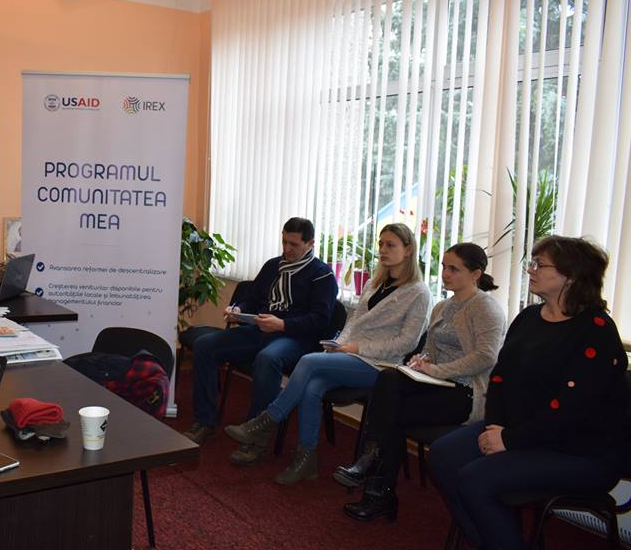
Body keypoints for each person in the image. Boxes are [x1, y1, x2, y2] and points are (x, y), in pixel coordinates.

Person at [429, 236, 630, 550]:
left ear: (571, 276)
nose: (530, 270)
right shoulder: (529, 318)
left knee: (475, 479)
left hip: (580, 450)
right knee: (443, 455)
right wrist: (495, 426)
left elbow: (571, 411)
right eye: (532, 263)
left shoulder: (596, 331)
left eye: (540, 265)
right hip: (520, 431)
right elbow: (500, 379)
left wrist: (509, 440)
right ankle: (488, 541)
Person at [225, 223, 431, 485]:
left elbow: (406, 342)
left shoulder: (418, 292)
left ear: (408, 249)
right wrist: (338, 344)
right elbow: (354, 322)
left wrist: (356, 348)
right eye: (381, 244)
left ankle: (267, 421)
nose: (383, 250)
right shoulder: (374, 282)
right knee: (312, 388)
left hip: (381, 365)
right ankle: (306, 460)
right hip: (350, 356)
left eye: (390, 245)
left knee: (308, 361)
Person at [335, 243, 506, 522]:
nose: (445, 274)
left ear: (476, 274)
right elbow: (430, 351)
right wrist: (420, 361)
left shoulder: (485, 308)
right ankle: (376, 481)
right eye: (444, 267)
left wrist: (437, 370)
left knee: (392, 413)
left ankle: (375, 480)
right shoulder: (442, 306)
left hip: (466, 393)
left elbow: (486, 357)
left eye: (454, 269)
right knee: (389, 378)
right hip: (436, 384)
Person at [182, 217, 338, 466]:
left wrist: (282, 324)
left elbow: (320, 320)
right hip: (260, 330)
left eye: (294, 245)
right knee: (205, 345)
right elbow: (252, 300)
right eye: (284, 242)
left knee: (268, 358)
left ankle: (255, 435)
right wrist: (238, 309)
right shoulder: (273, 266)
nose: (287, 249)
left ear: (310, 244)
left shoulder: (322, 276)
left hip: (295, 338)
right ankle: (204, 421)